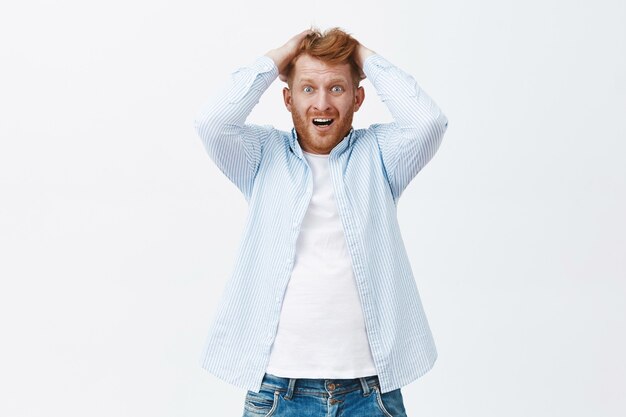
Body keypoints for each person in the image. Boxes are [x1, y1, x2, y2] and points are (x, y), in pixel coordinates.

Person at [194, 27, 448, 417]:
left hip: (369, 393)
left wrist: (362, 55)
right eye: (308, 88)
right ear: (287, 98)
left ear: (358, 97)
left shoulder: (380, 156)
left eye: (337, 88)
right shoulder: (261, 156)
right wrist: (278, 56)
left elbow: (428, 122)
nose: (322, 103)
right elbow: (213, 122)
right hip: (278, 392)